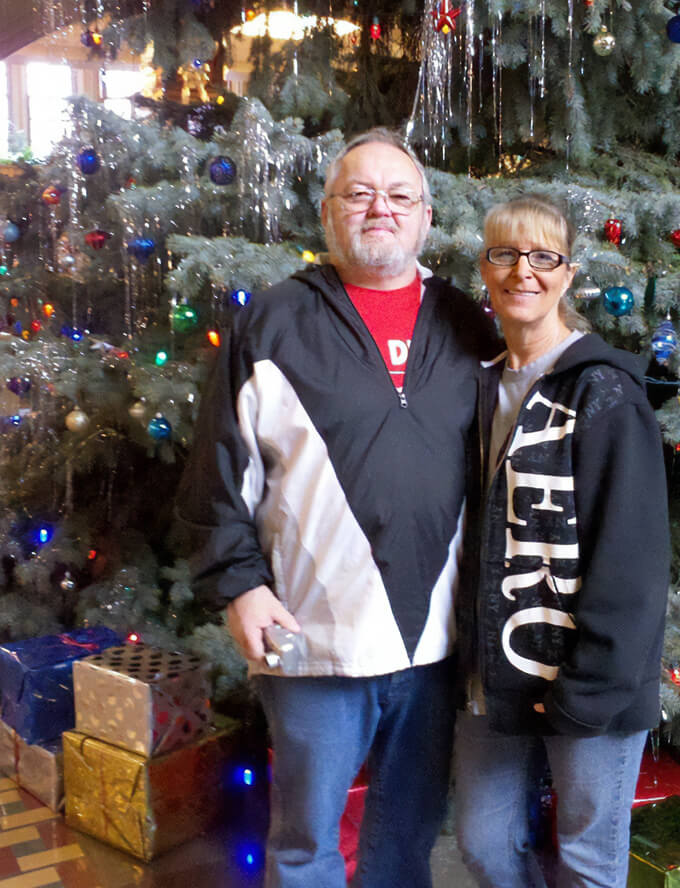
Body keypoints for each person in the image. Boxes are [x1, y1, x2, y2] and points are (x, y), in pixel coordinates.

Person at [176, 127, 498, 888]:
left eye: (399, 196)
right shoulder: (271, 323)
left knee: (406, 836)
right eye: (358, 193)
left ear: (425, 217)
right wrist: (240, 587)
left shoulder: (468, 325)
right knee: (305, 842)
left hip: (435, 646)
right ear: (327, 215)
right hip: (312, 639)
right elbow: (217, 472)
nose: (379, 209)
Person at [454, 194, 670, 888]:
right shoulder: (478, 387)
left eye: (543, 256)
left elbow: (632, 557)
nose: (524, 271)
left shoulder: (602, 390)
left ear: (568, 274)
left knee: (586, 860)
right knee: (484, 844)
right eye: (505, 254)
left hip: (590, 681)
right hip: (498, 673)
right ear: (484, 268)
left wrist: (592, 687)